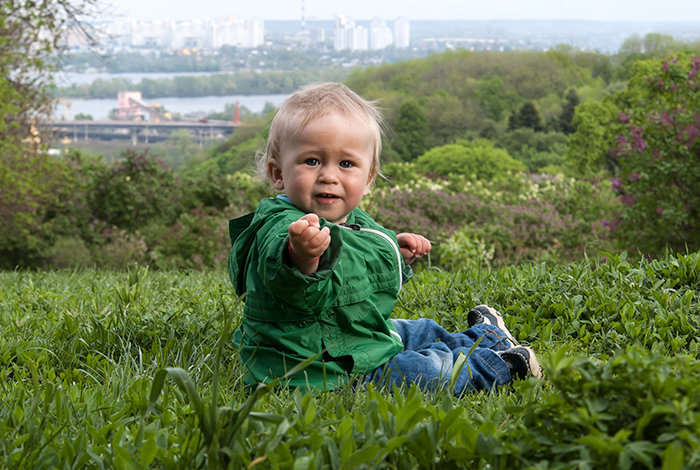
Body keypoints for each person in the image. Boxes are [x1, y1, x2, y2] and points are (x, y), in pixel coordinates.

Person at [228, 82, 541, 396]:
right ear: (277, 173)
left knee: (417, 329)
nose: (329, 175)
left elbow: (360, 247)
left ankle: (488, 336)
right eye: (312, 161)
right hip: (317, 366)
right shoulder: (283, 226)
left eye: (346, 164)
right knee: (421, 372)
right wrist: (301, 256)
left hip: (348, 334)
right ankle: (500, 365)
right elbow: (284, 276)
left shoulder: (349, 217)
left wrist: (393, 246)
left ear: (368, 179)